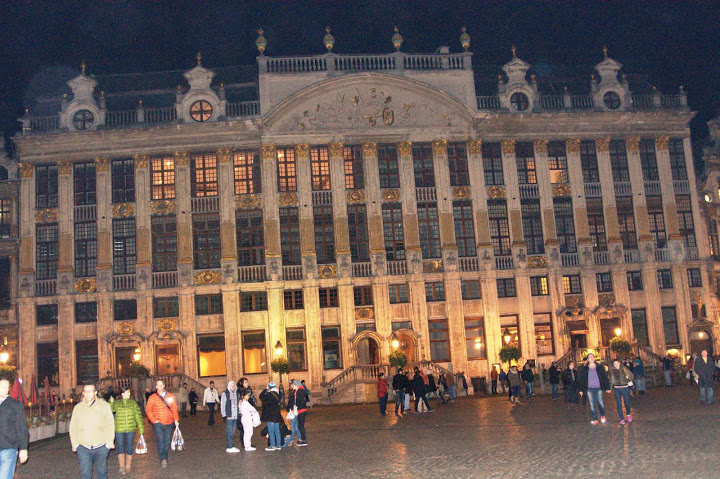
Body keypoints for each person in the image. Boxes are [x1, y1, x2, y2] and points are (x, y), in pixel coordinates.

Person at [69, 382, 115, 479]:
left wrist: (108, 444)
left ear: (95, 392)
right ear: (83, 393)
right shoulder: (78, 408)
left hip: (101, 446)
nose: (88, 394)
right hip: (83, 447)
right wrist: (75, 444)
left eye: (90, 391)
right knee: (85, 474)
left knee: (102, 472)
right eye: (85, 391)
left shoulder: (104, 406)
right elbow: (73, 427)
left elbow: (110, 425)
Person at [145, 379, 179, 468]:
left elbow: (174, 408)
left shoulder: (170, 396)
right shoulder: (153, 397)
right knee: (160, 440)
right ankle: (163, 459)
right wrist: (154, 420)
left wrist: (176, 419)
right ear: (156, 387)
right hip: (158, 423)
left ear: (164, 386)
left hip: (169, 422)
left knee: (167, 441)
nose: (160, 386)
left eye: (161, 385)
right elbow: (148, 410)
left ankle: (165, 457)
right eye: (158, 385)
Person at [110, 386, 143, 475]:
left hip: (130, 428)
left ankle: (128, 465)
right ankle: (121, 466)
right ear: (122, 394)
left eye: (129, 392)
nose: (129, 394)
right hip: (119, 429)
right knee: (120, 447)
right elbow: (111, 410)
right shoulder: (117, 403)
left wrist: (141, 428)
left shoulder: (133, 403)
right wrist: (111, 402)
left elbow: (138, 415)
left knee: (129, 447)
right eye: (127, 392)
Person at [0, 377, 29, 479]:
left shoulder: (14, 405)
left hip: (8, 448)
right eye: (2, 386)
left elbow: (22, 427)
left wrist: (23, 448)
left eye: (6, 387)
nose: (4, 389)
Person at [578, 354, 611, 425]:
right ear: (588, 359)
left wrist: (607, 387)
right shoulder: (585, 369)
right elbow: (582, 380)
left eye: (592, 357)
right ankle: (595, 418)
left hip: (598, 388)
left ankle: (602, 415)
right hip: (589, 388)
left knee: (600, 402)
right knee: (592, 404)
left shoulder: (600, 367)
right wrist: (581, 389)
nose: (591, 358)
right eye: (590, 357)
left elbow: (604, 377)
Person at [609, 359, 634, 424]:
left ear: (619, 363)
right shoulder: (612, 370)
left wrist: (627, 380)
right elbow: (611, 380)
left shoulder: (624, 368)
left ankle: (628, 414)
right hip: (616, 388)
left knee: (627, 402)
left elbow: (631, 375)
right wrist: (610, 388)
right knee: (619, 403)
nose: (616, 365)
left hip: (624, 387)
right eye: (614, 364)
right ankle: (621, 418)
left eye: (617, 363)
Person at [259, 381, 283, 451]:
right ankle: (279, 445)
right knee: (277, 430)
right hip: (277, 415)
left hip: (269, 415)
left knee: (271, 431)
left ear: (269, 387)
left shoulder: (268, 395)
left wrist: (266, 389)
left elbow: (261, 396)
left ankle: (272, 445)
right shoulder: (279, 394)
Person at [220, 381, 240, 453]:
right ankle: (230, 446)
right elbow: (223, 404)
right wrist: (224, 415)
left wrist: (239, 413)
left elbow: (238, 404)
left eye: (234, 385)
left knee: (233, 431)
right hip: (229, 415)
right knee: (229, 431)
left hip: (235, 415)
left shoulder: (237, 394)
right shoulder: (225, 393)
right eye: (232, 385)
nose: (233, 387)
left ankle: (231, 445)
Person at [288, 379, 309, 446]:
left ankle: (304, 440)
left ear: (296, 385)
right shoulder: (299, 390)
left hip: (301, 410)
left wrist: (297, 406)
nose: (292, 386)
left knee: (300, 426)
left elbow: (301, 401)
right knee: (300, 425)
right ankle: (302, 439)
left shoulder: (299, 391)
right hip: (301, 410)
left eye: (293, 385)